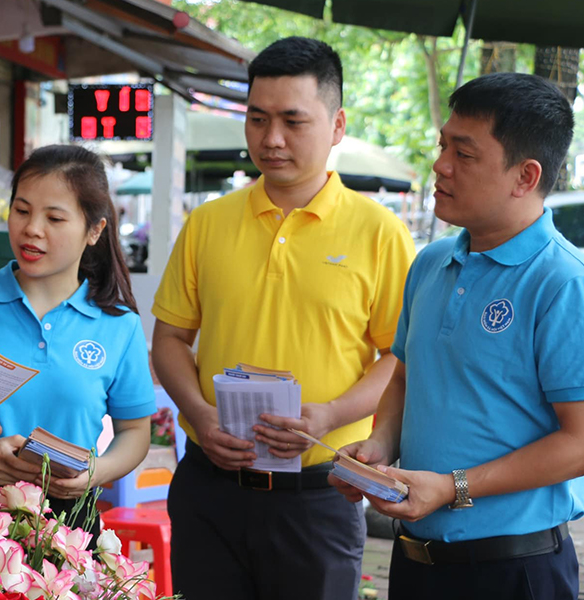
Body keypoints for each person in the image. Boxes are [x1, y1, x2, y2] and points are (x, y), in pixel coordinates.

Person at [151, 36, 415, 599]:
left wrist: (333, 414)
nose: (271, 140)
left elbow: (400, 357)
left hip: (319, 493)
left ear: (337, 125)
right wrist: (198, 413)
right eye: (257, 119)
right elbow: (170, 339)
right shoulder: (208, 223)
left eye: (294, 121)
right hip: (209, 486)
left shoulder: (379, 232)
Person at [332, 73, 584, 600]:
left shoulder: (566, 283)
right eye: (442, 145)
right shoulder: (432, 263)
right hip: (416, 559)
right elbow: (406, 375)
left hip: (514, 569)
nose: (440, 165)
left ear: (525, 177)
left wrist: (453, 487)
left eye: (465, 153)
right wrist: (380, 447)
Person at [0, 145, 156, 537]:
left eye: (54, 217)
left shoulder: (120, 325)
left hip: (69, 520)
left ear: (95, 230)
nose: (32, 228)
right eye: (22, 210)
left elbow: (135, 432)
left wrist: (92, 474)